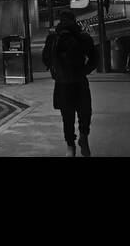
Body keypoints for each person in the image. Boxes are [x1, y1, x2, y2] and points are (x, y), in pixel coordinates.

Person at [42, 10, 99, 157]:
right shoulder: (83, 37)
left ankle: (70, 147)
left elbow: (45, 60)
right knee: (85, 113)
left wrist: (56, 70)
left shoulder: (53, 38)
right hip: (80, 81)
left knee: (67, 117)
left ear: (60, 22)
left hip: (62, 84)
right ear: (75, 21)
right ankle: (83, 138)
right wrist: (83, 71)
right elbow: (94, 60)